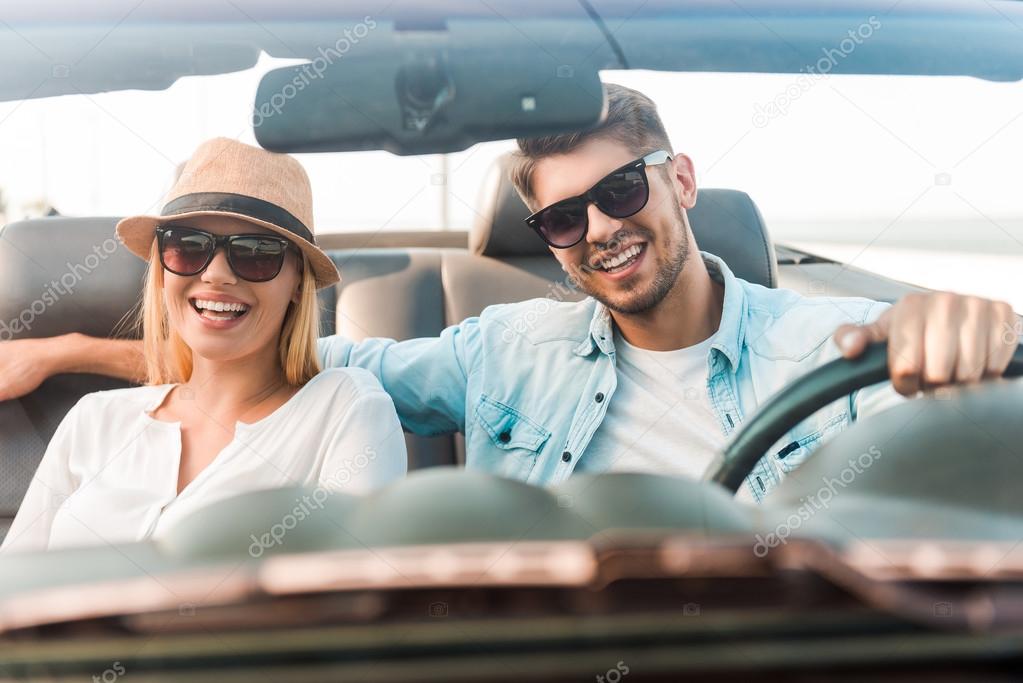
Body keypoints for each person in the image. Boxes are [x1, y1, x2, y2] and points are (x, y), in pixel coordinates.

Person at [1, 86, 1017, 503]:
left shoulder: (833, 343)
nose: (601, 230)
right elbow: (280, 364)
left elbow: (933, 410)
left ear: (683, 180)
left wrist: (952, 329)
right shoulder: (502, 349)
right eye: (563, 219)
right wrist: (60, 354)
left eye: (622, 190)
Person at [1, 138, 406, 552]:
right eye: (188, 246)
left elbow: (360, 593)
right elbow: (11, 587)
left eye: (256, 253)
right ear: (161, 270)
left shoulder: (345, 407)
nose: (216, 274)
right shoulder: (93, 419)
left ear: (297, 284)